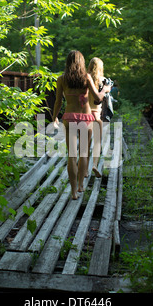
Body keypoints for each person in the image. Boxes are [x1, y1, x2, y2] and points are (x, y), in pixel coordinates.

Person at [52, 50, 111, 200]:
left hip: (69, 117)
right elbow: (97, 99)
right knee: (84, 152)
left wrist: (54, 118)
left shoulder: (61, 79)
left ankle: (73, 192)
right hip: (85, 118)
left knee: (72, 155)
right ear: (82, 62)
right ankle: (80, 186)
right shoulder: (87, 77)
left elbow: (58, 102)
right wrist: (105, 89)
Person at [87, 57, 105, 178]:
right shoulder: (103, 81)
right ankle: (94, 165)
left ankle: (84, 170)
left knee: (86, 143)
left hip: (86, 113)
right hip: (97, 115)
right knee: (97, 142)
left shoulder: (85, 79)